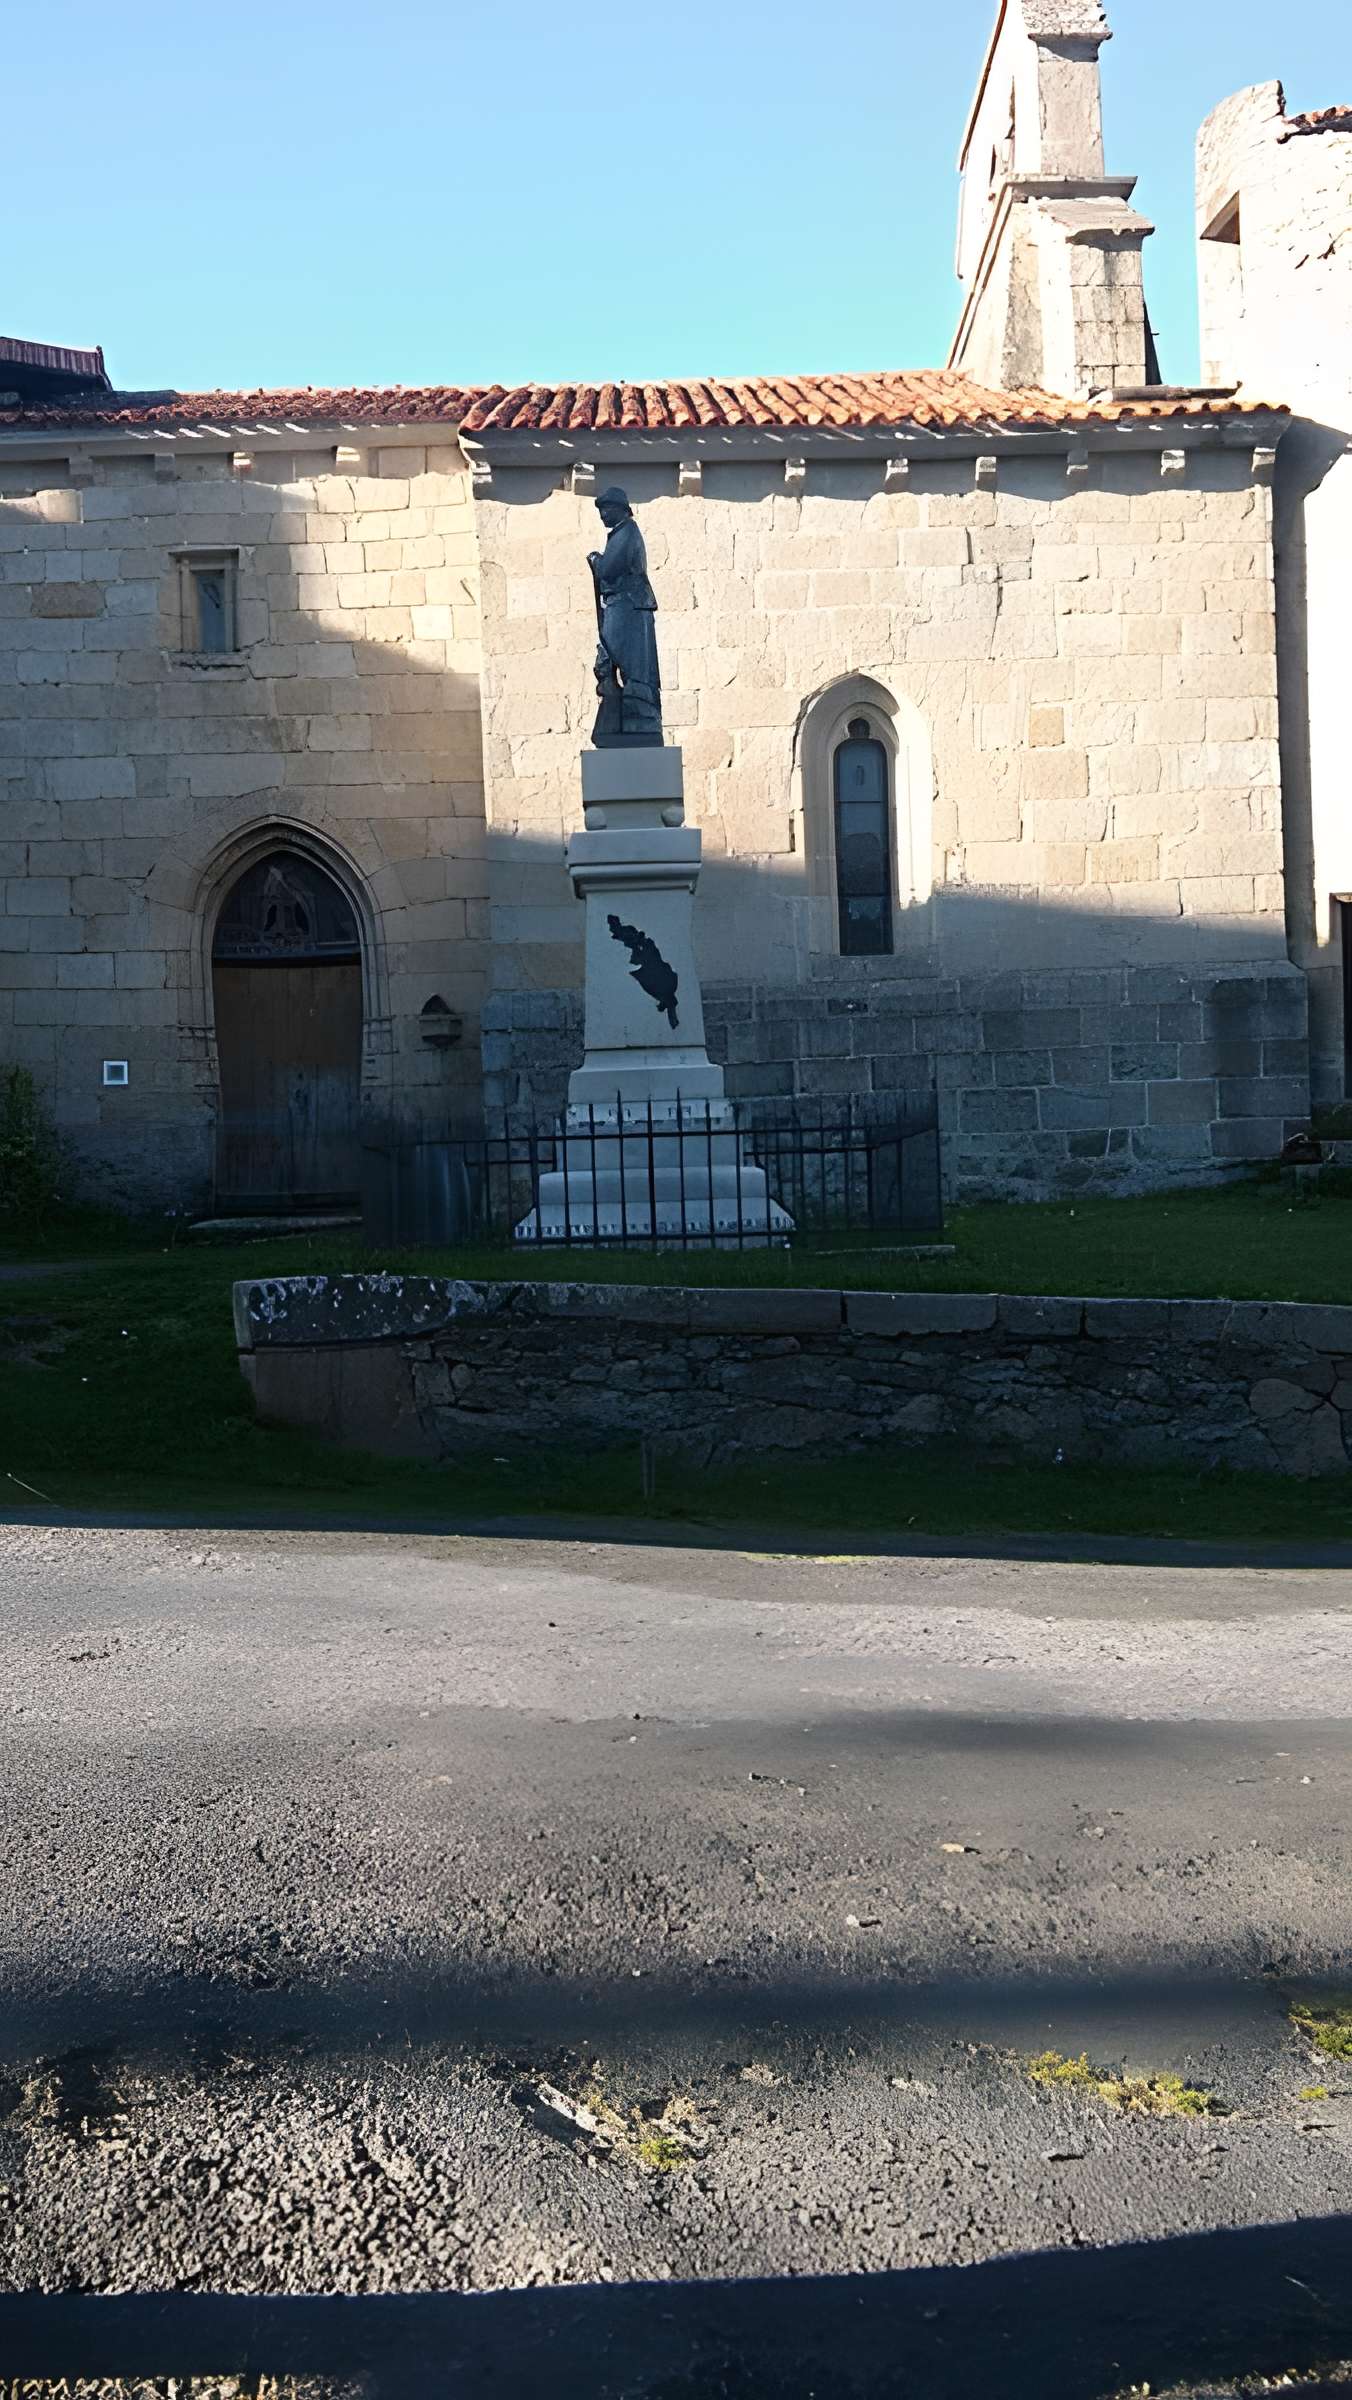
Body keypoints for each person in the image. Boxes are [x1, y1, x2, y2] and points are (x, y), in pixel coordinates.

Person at [588, 487, 663, 745]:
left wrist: (596, 560)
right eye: (600, 511)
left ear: (620, 509)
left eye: (606, 509)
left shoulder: (627, 531)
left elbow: (608, 569)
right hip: (621, 605)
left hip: (627, 606)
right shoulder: (621, 533)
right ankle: (621, 711)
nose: (603, 515)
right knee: (613, 654)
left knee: (630, 661)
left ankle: (638, 715)